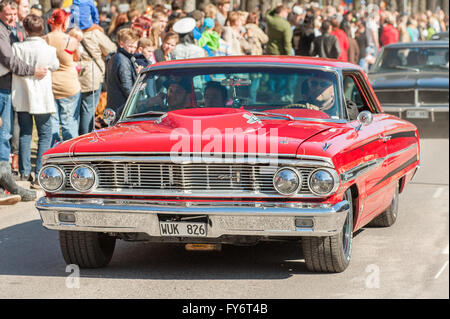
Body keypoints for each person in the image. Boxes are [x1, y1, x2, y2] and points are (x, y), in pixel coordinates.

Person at [0, 0, 46, 202]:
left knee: (7, 133)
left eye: (14, 13)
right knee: (4, 133)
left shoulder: (9, 29)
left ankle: (5, 182)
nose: (12, 17)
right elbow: (8, 60)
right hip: (2, 88)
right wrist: (32, 70)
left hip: (7, 87)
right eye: (8, 14)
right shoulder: (1, 32)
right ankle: (4, 184)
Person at [10, 14, 59, 187]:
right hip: (42, 97)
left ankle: (24, 172)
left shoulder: (17, 47)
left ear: (26, 29)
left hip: (22, 96)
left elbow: (13, 67)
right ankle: (39, 172)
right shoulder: (48, 49)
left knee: (25, 133)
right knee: (45, 135)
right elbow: (55, 65)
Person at [77, 21, 116, 135]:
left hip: (74, 73)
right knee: (88, 110)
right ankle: (85, 138)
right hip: (91, 74)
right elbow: (111, 49)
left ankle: (74, 139)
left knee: (75, 112)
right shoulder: (94, 33)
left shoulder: (70, 31)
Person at [105, 28, 140, 118]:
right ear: (121, 44)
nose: (133, 50)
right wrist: (136, 101)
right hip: (121, 106)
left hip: (115, 104)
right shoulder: (122, 60)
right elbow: (127, 86)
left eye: (135, 47)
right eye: (130, 46)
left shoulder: (118, 57)